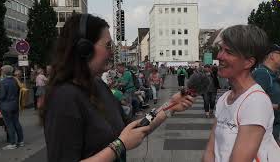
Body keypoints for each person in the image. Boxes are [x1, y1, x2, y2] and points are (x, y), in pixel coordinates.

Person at [43, 14, 194, 162]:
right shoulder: (63, 98)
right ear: (84, 49)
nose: (112, 51)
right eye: (108, 45)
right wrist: (119, 146)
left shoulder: (98, 85)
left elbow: (133, 129)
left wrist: (170, 107)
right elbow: (123, 141)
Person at [203, 25, 280, 162]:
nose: (219, 56)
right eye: (220, 49)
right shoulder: (224, 98)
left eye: (228, 52)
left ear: (248, 62)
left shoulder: (255, 101)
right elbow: (211, 150)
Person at [252, 44, 280, 141]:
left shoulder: (268, 74)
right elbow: (254, 103)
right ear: (272, 56)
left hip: (270, 130)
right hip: (265, 132)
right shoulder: (263, 74)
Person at [0, 65, 24, 150]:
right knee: (16, 122)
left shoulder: (3, 82)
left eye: (2, 71)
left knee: (9, 124)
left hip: (6, 106)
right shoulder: (15, 80)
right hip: (15, 104)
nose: (1, 72)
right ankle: (21, 141)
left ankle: (12, 143)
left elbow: (2, 96)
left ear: (4, 72)